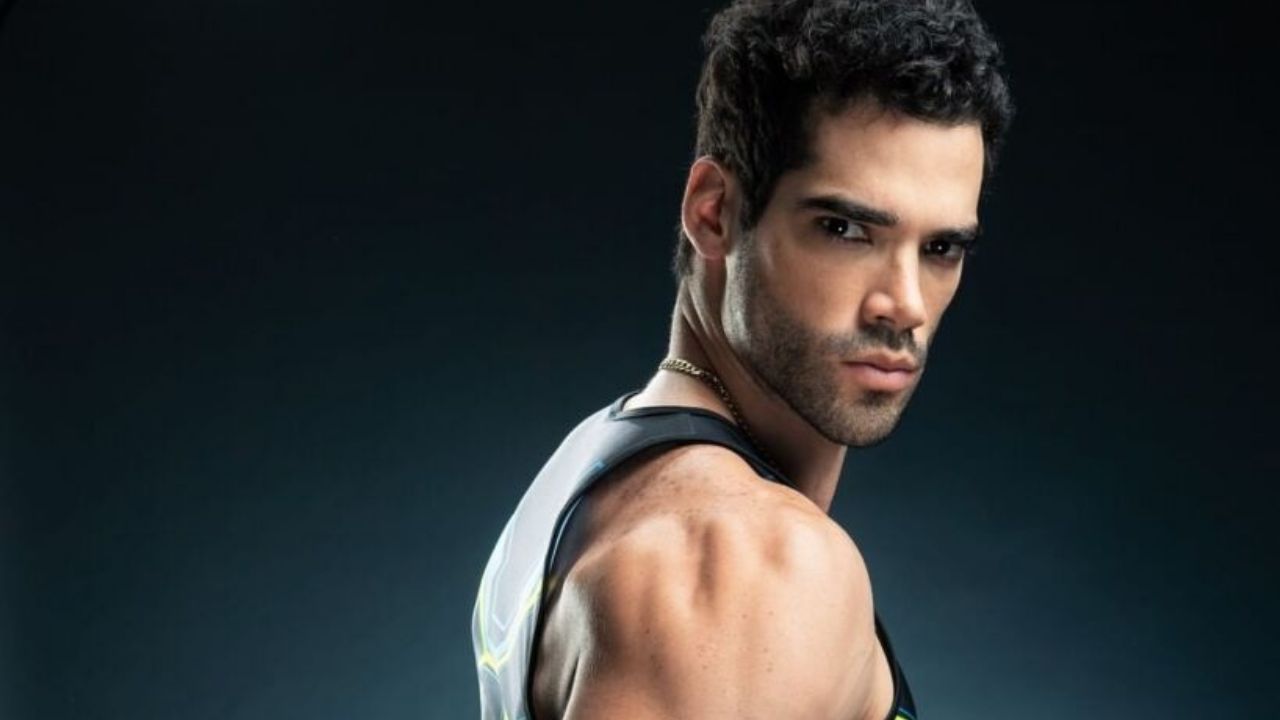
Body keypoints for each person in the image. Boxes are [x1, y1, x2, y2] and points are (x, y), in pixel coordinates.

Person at [471, 0, 1014, 717]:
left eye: (941, 248)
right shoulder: (742, 562)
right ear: (714, 212)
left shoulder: (596, 460)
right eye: (845, 229)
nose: (905, 304)